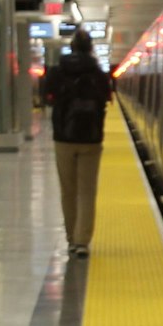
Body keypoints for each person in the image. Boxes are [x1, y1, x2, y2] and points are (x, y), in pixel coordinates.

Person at [39, 31, 113, 258]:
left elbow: (45, 97)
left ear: (71, 47)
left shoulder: (56, 72)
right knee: (87, 192)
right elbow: (107, 99)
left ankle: (71, 239)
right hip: (91, 139)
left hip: (63, 138)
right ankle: (82, 241)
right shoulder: (99, 74)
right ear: (91, 48)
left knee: (68, 191)